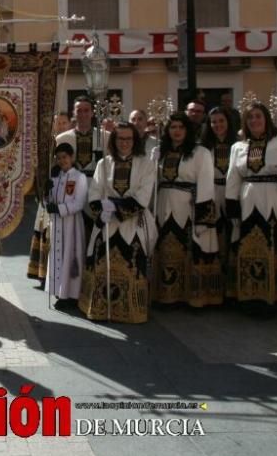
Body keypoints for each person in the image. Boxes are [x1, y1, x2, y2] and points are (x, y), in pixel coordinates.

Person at [225, 101, 277, 310]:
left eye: (258, 116)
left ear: (266, 119)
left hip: (276, 198)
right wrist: (232, 204)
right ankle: (251, 296)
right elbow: (233, 177)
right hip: (248, 199)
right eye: (250, 117)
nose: (254, 121)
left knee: (275, 243)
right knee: (249, 246)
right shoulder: (238, 147)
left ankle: (276, 297)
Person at [78, 123, 157, 323]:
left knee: (134, 261)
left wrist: (111, 205)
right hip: (107, 223)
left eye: (128, 139)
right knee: (98, 260)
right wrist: (102, 208)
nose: (124, 143)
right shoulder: (103, 164)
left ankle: (131, 310)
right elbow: (94, 193)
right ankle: (100, 307)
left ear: (135, 140)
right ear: (113, 141)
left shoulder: (146, 164)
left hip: (134, 222)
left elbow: (142, 198)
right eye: (120, 139)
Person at [151, 113, 221, 307]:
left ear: (188, 129)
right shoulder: (159, 151)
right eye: (173, 127)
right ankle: (166, 295)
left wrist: (203, 217)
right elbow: (153, 181)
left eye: (181, 127)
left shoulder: (200, 152)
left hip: (188, 206)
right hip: (163, 205)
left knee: (190, 249)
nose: (177, 131)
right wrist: (152, 162)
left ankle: (192, 297)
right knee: (165, 249)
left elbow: (206, 184)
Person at [27, 112, 73, 286]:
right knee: (45, 232)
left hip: (66, 192)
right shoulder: (47, 143)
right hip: (49, 192)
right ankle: (42, 272)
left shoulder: (71, 142)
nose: (61, 125)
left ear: (69, 124)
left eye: (64, 122)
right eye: (58, 122)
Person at [201, 107, 238, 298]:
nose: (217, 125)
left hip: (232, 193)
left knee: (233, 236)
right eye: (213, 122)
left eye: (221, 121)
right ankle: (213, 289)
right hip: (211, 193)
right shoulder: (204, 146)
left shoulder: (239, 144)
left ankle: (232, 289)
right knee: (213, 237)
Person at [46, 143, 88, 308]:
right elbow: (48, 201)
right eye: (58, 158)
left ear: (72, 157)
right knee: (58, 256)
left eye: (65, 157)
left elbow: (79, 203)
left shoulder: (79, 177)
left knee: (71, 257)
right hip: (56, 223)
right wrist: (45, 193)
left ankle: (72, 295)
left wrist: (60, 209)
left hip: (72, 225)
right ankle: (59, 291)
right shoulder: (55, 178)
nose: (62, 160)